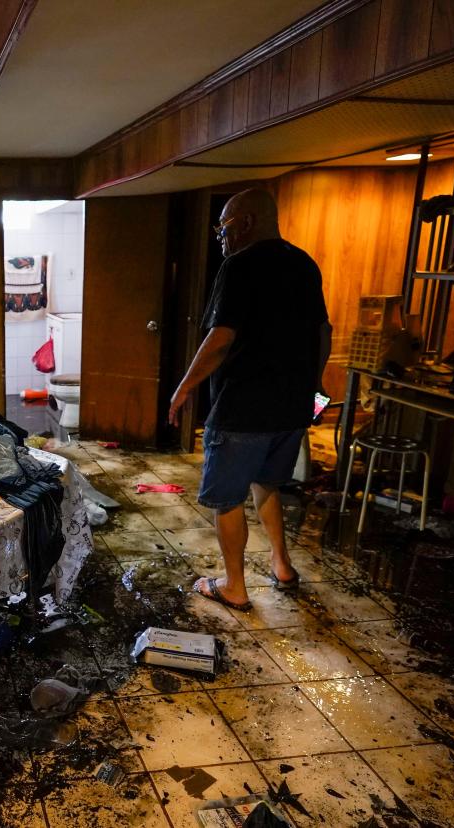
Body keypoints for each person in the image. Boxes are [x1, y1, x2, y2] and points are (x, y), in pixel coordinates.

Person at [167, 189, 331, 611]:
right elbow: (322, 335)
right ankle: (281, 565)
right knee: (267, 483)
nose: (219, 238)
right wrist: (311, 385)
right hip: (292, 407)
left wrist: (184, 386)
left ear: (245, 222)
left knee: (226, 498)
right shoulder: (304, 264)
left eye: (222, 228)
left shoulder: (238, 266)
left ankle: (234, 586)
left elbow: (221, 337)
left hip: (243, 406)